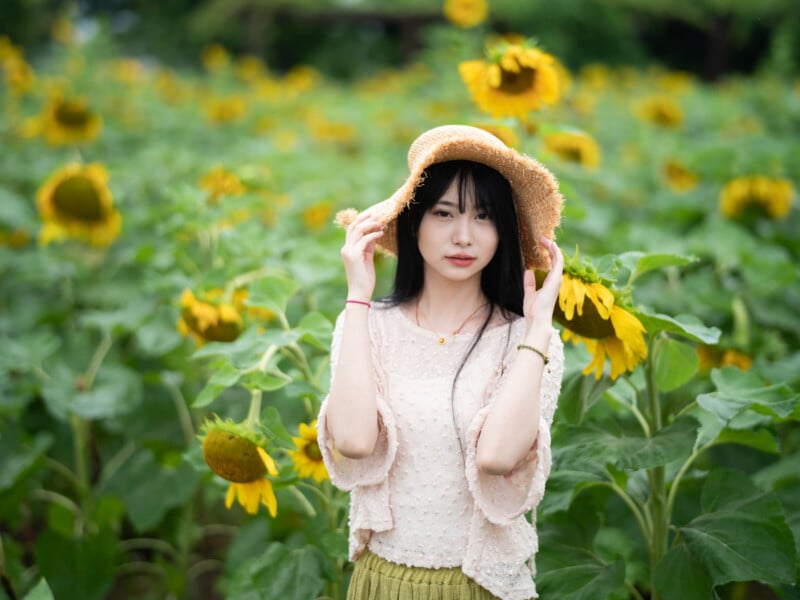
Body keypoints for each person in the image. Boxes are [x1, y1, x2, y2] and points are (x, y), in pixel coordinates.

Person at [318, 124, 565, 600]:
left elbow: (497, 456)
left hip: (485, 585)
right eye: (444, 213)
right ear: (413, 223)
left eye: (484, 217)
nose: (464, 236)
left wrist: (537, 328)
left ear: (502, 233)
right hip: (384, 581)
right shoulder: (368, 326)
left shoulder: (529, 341)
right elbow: (352, 440)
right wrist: (357, 297)